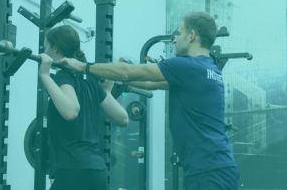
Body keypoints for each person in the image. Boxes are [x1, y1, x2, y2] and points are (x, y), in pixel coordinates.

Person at [57, 12, 239, 190]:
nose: (175, 38)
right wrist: (106, 75)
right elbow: (149, 83)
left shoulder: (187, 65)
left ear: (191, 36)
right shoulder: (209, 69)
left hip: (207, 171)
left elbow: (127, 72)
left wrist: (84, 67)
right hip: (217, 167)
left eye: (179, 32)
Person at [39, 25, 129, 190]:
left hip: (73, 171)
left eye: (46, 48)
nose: (45, 52)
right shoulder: (90, 82)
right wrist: (106, 92)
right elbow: (123, 118)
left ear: (55, 49)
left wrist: (45, 76)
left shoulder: (63, 76)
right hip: (96, 171)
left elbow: (71, 111)